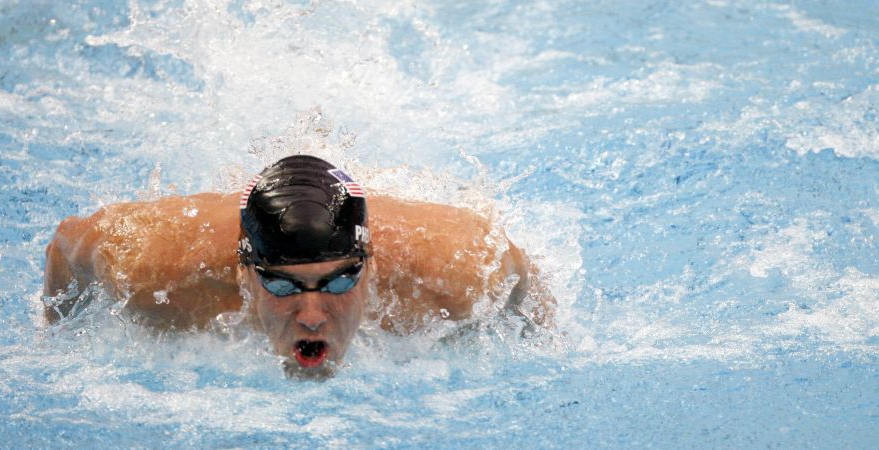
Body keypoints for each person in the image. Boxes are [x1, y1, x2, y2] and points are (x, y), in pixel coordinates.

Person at [43, 154, 552, 374]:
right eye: (284, 287)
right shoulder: (152, 272)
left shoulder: (453, 272)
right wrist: (56, 335)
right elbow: (65, 244)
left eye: (339, 280)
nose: (312, 315)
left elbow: (524, 278)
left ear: (369, 264)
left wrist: (546, 339)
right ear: (243, 270)